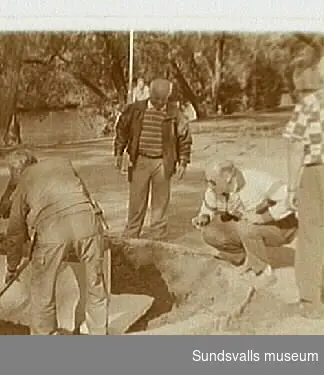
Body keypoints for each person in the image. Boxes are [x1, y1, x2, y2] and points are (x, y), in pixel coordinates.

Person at [0, 149, 108, 335]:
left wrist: (11, 267)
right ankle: (99, 334)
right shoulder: (61, 163)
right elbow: (86, 195)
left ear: (17, 171)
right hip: (87, 224)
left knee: (42, 291)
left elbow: (15, 233)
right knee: (95, 284)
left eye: (11, 173)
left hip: (53, 232)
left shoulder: (23, 182)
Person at [191, 160, 298, 288]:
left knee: (245, 226)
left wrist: (263, 217)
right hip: (249, 224)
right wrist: (203, 217)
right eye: (207, 181)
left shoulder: (256, 179)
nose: (209, 186)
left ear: (228, 178)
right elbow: (208, 208)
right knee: (210, 231)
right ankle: (238, 257)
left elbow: (292, 199)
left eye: (213, 182)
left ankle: (263, 272)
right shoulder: (214, 190)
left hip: (282, 227)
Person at [114, 78, 193, 239]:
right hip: (140, 160)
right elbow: (122, 130)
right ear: (149, 94)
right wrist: (118, 152)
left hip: (163, 162)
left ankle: (158, 236)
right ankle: (131, 234)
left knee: (160, 202)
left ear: (167, 97)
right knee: (136, 200)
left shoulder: (174, 113)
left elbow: (184, 138)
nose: (159, 103)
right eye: (156, 99)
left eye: (163, 100)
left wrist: (183, 162)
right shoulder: (135, 110)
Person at [282, 56, 324, 319]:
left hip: (315, 172)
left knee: (311, 236)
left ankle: (311, 303)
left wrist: (291, 187)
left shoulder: (309, 104)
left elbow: (296, 145)